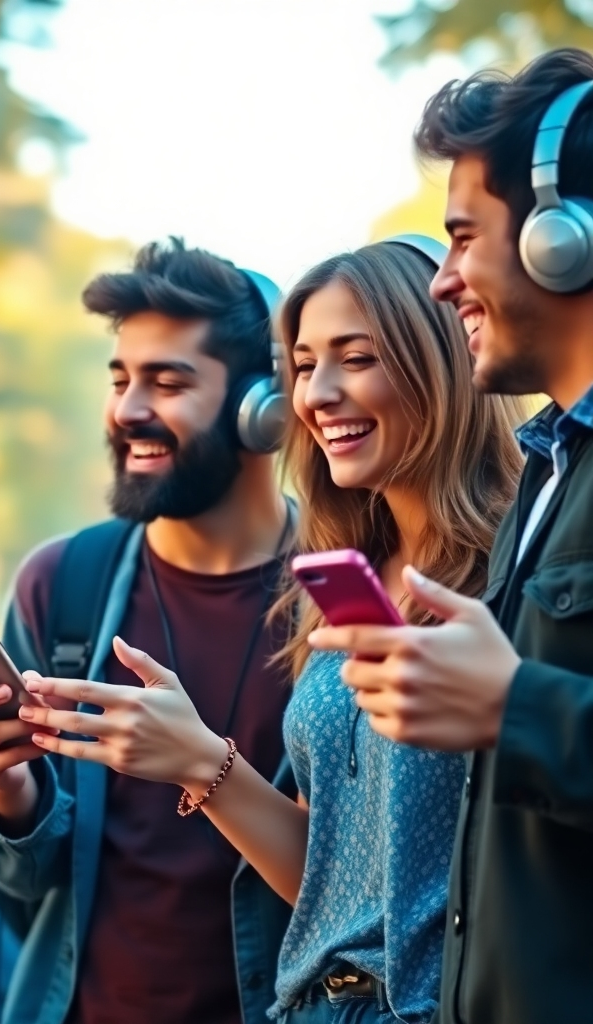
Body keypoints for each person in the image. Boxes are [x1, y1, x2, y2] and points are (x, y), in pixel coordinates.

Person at [20, 239, 525, 1024]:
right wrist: (198, 760)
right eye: (304, 366)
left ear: (441, 365)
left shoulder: (517, 576)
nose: (318, 395)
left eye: (354, 358)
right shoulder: (341, 579)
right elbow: (331, 884)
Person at [0, 239, 297, 1024]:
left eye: (167, 382)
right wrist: (8, 785)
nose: (129, 408)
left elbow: (362, 880)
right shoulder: (61, 585)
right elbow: (30, 886)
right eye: (120, 378)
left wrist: (206, 768)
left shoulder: (332, 595)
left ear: (263, 409)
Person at [305, 49, 593, 1024]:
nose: (445, 280)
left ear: (564, 237)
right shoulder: (552, 483)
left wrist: (514, 705)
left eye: (465, 237)